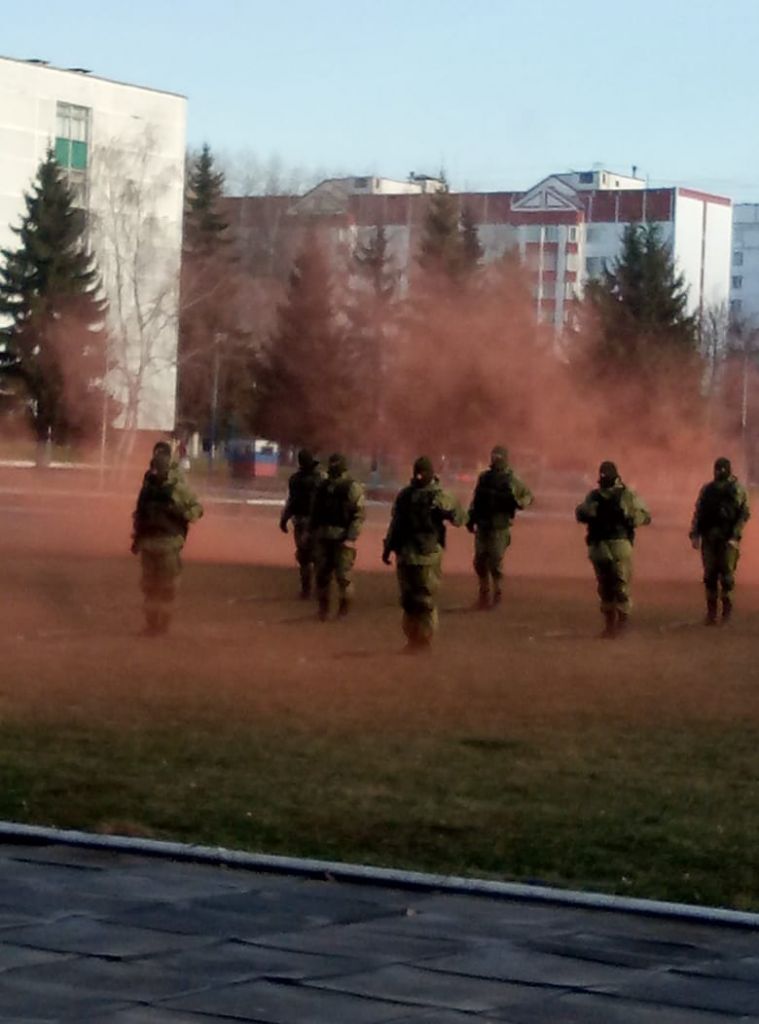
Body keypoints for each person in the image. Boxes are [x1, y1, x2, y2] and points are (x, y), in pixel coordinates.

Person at [383, 456, 465, 652]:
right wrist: (388, 548)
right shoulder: (405, 496)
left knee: (425, 600)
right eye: (417, 472)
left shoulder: (440, 496)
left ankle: (425, 640)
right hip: (406, 554)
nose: (419, 476)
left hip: (427, 555)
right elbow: (396, 524)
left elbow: (460, 518)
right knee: (408, 601)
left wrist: (445, 511)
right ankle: (412, 639)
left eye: (423, 472)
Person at [131, 441, 204, 635]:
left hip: (166, 543)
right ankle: (154, 623)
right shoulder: (149, 488)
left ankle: (160, 624)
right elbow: (140, 513)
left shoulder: (175, 488)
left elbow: (195, 510)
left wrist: (179, 513)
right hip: (155, 543)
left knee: (163, 587)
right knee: (152, 587)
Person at [575, 461, 651, 638]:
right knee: (605, 587)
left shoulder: (626, 495)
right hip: (599, 545)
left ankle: (622, 623)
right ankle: (610, 624)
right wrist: (588, 512)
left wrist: (629, 516)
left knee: (620, 584)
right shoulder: (594, 496)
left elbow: (644, 515)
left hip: (619, 543)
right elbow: (581, 513)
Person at [466, 445, 533, 609]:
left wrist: (518, 503)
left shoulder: (511, 480)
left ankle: (497, 594)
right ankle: (483, 594)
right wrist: (471, 518)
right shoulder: (484, 478)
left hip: (499, 526)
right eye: (494, 456)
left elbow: (528, 496)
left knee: (495, 561)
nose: (496, 459)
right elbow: (477, 499)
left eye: (499, 456)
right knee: (480, 561)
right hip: (483, 524)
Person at [689, 457, 750, 625]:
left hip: (727, 538)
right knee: (710, 576)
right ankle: (711, 613)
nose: (719, 472)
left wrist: (734, 536)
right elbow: (699, 513)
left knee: (727, 577)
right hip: (709, 537)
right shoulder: (708, 490)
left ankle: (726, 614)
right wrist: (695, 534)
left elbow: (743, 514)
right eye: (717, 469)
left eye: (722, 469)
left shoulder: (736, 490)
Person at [309, 453, 365, 621]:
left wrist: (351, 537)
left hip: (342, 538)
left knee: (343, 577)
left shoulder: (352, 487)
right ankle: (323, 609)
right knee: (321, 575)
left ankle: (343, 611)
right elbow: (315, 511)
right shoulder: (323, 485)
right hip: (323, 535)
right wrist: (310, 532)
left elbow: (358, 514)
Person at [279, 449, 324, 599]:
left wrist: (284, 519)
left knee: (304, 557)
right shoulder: (320, 480)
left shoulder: (295, 480)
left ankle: (306, 589)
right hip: (317, 522)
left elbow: (291, 502)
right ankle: (320, 589)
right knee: (318, 556)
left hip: (300, 521)